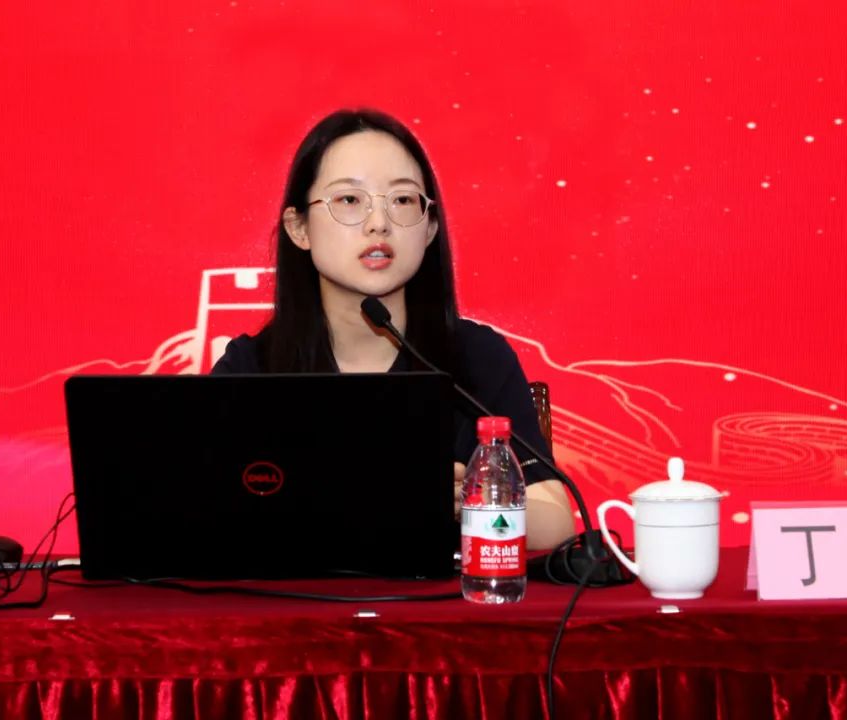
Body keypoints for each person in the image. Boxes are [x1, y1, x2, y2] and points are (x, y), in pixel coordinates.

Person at [212, 109, 576, 551]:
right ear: (299, 228)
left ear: (430, 228)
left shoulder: (476, 358)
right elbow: (200, 510)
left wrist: (471, 500)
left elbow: (557, 522)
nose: (378, 223)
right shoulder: (252, 368)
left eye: (402, 200)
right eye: (350, 199)